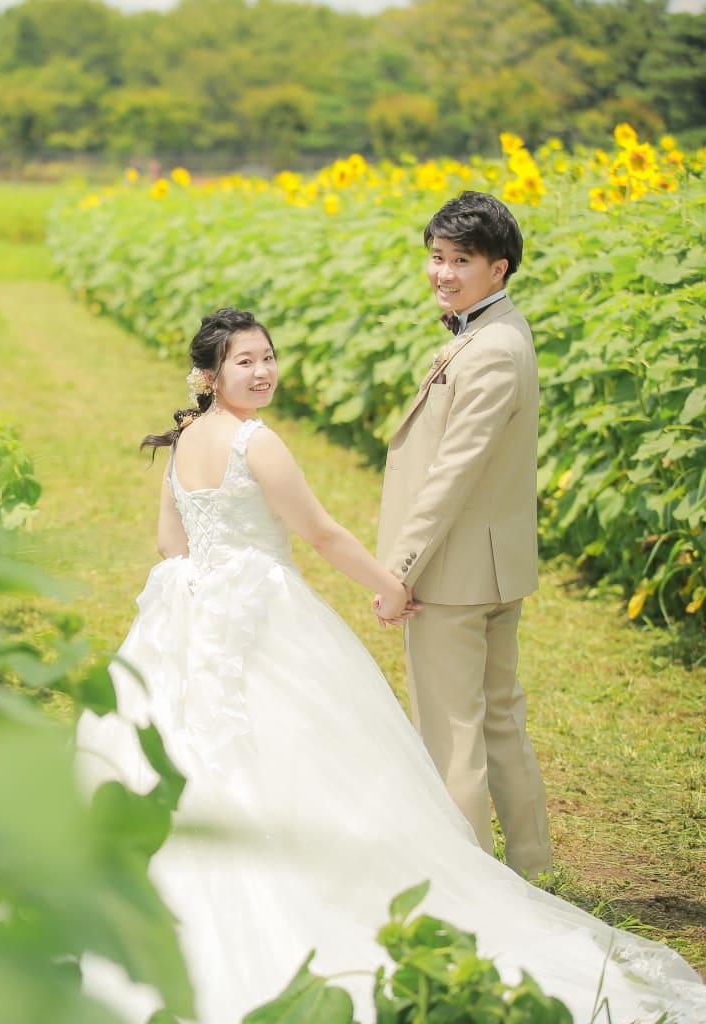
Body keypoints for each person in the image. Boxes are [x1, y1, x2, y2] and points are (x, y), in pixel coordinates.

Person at [77, 307, 705, 1024]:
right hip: (262, 609)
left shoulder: (188, 438)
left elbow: (170, 543)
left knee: (202, 746)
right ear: (210, 375)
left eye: (268, 357)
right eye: (245, 362)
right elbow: (321, 532)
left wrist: (202, 599)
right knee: (307, 746)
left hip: (193, 610)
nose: (263, 372)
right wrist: (389, 584)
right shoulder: (258, 443)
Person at [376, 190, 553, 881]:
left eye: (461, 261)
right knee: (501, 721)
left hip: (453, 575)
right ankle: (531, 871)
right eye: (437, 257)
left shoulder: (490, 351)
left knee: (453, 736)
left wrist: (400, 568)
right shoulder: (498, 332)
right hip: (492, 567)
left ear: (499, 269)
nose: (442, 273)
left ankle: (474, 888)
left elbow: (451, 473)